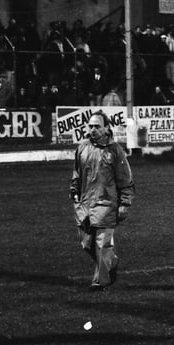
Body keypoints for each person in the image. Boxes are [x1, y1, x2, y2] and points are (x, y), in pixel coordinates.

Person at [70, 111, 134, 290]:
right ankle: (112, 262)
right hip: (84, 205)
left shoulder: (116, 151)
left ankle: (100, 281)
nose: (93, 130)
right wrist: (74, 191)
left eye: (97, 126)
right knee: (86, 243)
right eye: (90, 126)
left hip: (106, 204)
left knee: (102, 244)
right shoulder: (82, 148)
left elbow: (126, 180)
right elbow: (76, 173)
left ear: (107, 128)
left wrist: (125, 204)